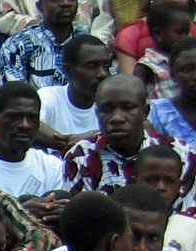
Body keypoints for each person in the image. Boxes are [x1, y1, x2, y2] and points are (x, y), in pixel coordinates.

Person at [64, 74, 196, 208]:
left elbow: (189, 216)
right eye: (106, 109)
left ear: (145, 111)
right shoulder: (81, 156)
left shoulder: (180, 153)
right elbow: (79, 220)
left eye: (127, 108)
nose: (116, 118)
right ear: (97, 113)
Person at [0, 0, 89, 91]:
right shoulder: (17, 45)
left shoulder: (86, 43)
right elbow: (13, 94)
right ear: (39, 7)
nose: (66, 3)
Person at [40, 33, 114, 147]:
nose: (103, 74)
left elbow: (142, 126)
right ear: (67, 70)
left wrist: (92, 137)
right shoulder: (49, 97)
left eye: (106, 66)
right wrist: (72, 144)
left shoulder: (113, 103)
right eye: (92, 66)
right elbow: (30, 125)